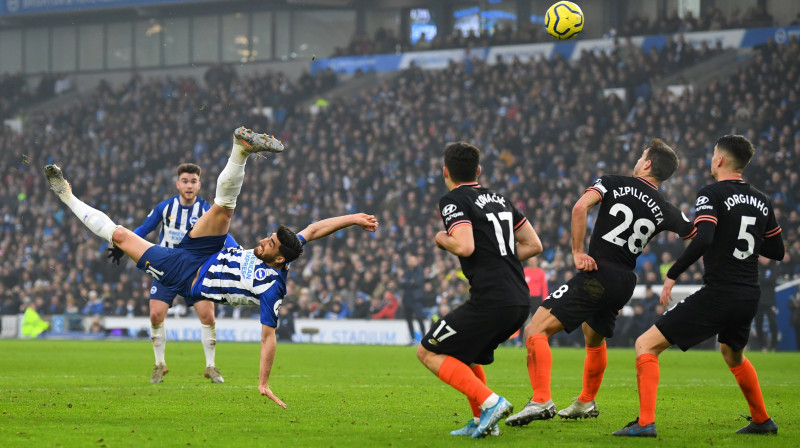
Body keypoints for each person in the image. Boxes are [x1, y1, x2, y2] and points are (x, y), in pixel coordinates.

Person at [45, 126, 379, 407]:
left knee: (120, 235)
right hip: (207, 249)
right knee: (224, 207)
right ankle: (241, 149)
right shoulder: (286, 248)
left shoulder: (272, 289)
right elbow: (315, 229)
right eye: (268, 238)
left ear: (279, 260)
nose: (263, 241)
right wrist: (353, 218)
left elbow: (268, 338)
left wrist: (263, 382)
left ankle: (67, 196)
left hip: (186, 272)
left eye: (270, 244)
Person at [506, 139, 696, 426]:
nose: (638, 159)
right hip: (624, 281)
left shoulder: (613, 182)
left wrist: (577, 252)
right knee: (594, 339)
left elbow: (580, 208)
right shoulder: (666, 207)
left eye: (641, 155)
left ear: (647, 163)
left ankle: (541, 399)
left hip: (598, 271)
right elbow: (696, 235)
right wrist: (676, 271)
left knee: (534, 330)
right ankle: (585, 401)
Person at [614, 135, 785, 437]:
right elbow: (777, 250)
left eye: (712, 155)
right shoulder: (761, 199)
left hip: (721, 292)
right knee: (733, 355)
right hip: (749, 293)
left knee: (645, 345)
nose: (710, 160)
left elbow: (703, 237)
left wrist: (674, 273)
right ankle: (762, 419)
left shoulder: (711, 193)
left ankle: (644, 423)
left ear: (719, 159)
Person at [416, 142, 543, 438]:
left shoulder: (453, 200)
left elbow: (464, 245)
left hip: (492, 300)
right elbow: (534, 245)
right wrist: (499, 258)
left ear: (445, 171)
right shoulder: (501, 200)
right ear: (479, 171)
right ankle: (482, 422)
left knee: (428, 351)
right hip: (518, 299)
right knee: (465, 355)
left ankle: (491, 402)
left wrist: (440, 238)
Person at [107, 162, 235, 384]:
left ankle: (211, 366)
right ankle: (159, 365)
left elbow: (224, 235)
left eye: (193, 182)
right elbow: (143, 230)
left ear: (199, 185)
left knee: (208, 316)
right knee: (156, 315)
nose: (189, 185)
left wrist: (238, 252)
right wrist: (122, 246)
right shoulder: (165, 208)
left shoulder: (205, 210)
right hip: (166, 269)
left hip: (195, 270)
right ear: (178, 184)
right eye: (185, 181)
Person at [518, 256, 547, 344]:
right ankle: (520, 340)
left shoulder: (541, 272)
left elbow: (544, 287)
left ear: (537, 262)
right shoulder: (525, 271)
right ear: (528, 262)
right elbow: (520, 285)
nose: (532, 262)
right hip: (526, 298)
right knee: (522, 319)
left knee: (536, 320)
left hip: (537, 299)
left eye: (534, 261)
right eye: (530, 261)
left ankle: (536, 339)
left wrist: (545, 299)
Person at [398, 254, 426, 344]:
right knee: (408, 319)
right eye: (409, 261)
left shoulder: (420, 271)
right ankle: (412, 339)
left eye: (412, 261)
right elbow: (401, 283)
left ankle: (424, 338)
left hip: (416, 299)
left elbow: (417, 283)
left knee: (419, 318)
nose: (410, 262)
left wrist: (407, 282)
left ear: (416, 261)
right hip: (406, 299)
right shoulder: (407, 272)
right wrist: (409, 282)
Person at [755, 256, 779, 351]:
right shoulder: (756, 267)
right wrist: (762, 279)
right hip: (758, 300)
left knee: (773, 322)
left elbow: (772, 280)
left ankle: (773, 345)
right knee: (758, 323)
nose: (763, 260)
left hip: (770, 300)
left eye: (765, 258)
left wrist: (760, 279)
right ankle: (762, 345)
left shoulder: (774, 267)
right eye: (762, 257)